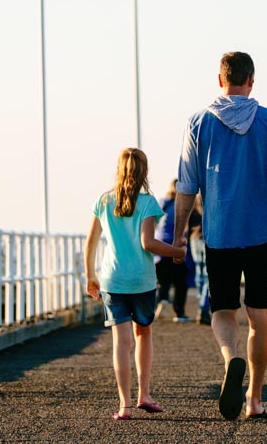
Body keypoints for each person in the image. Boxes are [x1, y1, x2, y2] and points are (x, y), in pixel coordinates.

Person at [172, 51, 267, 421]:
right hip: (261, 234)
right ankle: (254, 399)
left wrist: (177, 237)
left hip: (219, 233)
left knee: (223, 311)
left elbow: (186, 187)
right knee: (260, 315)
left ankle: (230, 358)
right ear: (251, 80)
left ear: (220, 80)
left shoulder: (198, 122)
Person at [84, 147, 187, 420]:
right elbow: (148, 243)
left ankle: (124, 405)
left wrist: (89, 276)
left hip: (112, 279)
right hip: (141, 280)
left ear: (118, 170)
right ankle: (144, 395)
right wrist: (178, 252)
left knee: (121, 342)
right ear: (144, 172)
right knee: (143, 334)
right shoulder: (148, 203)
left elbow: (91, 242)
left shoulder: (103, 201)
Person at [154, 181, 192, 321]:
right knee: (181, 283)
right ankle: (179, 313)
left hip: (160, 246)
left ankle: (162, 300)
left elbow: (154, 222)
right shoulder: (184, 205)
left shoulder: (163, 202)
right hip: (177, 246)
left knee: (163, 280)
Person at [189, 195, 211, 324]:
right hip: (208, 240)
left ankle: (202, 306)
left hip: (194, 240)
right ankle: (203, 308)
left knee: (199, 275)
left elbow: (187, 224)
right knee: (208, 276)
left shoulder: (192, 203)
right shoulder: (210, 199)